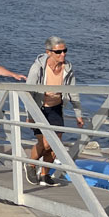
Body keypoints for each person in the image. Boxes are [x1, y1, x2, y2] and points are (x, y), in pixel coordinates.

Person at [23, 36, 85, 186]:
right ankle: (31, 165)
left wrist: (78, 114)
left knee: (55, 145)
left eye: (65, 51)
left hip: (56, 108)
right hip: (39, 109)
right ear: (48, 52)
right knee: (45, 144)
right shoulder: (37, 68)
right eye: (58, 52)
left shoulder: (67, 68)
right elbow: (28, 92)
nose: (63, 54)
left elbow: (73, 92)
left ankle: (45, 175)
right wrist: (30, 114)